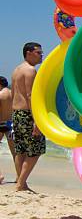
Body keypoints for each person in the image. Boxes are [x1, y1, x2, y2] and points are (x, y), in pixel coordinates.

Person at [11, 43, 45, 191]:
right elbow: (31, 96)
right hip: (27, 114)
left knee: (21, 150)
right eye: (38, 52)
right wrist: (37, 120)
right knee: (36, 149)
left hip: (16, 114)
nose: (41, 55)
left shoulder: (16, 70)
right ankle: (20, 184)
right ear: (29, 53)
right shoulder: (30, 70)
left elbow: (14, 94)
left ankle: (22, 183)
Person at [0, 76, 15, 182]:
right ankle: (19, 176)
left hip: (1, 124)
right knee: (14, 151)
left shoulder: (0, 94)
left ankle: (0, 176)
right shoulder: (12, 93)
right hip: (11, 124)